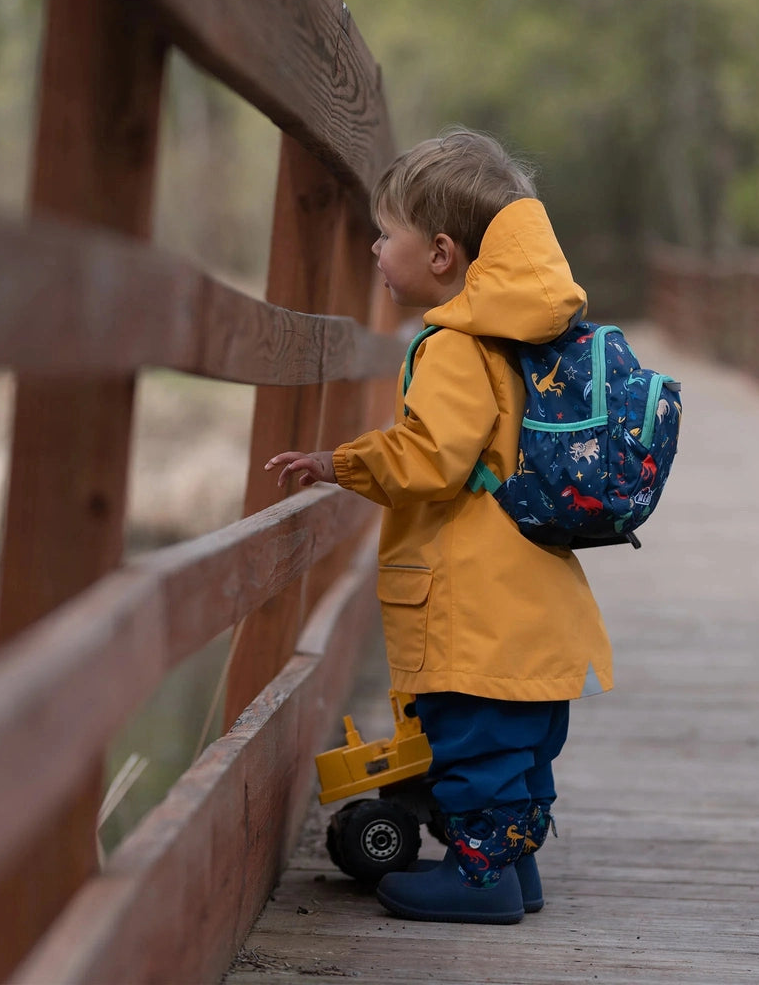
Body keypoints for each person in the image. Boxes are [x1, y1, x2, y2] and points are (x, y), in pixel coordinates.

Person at [265, 128, 612, 925]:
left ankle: (480, 882)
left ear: (443, 254)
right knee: (518, 750)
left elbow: (433, 460)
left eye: (388, 235)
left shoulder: (454, 346)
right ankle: (511, 872)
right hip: (528, 595)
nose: (377, 248)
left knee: (474, 743)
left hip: (476, 600)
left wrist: (339, 462)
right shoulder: (517, 339)